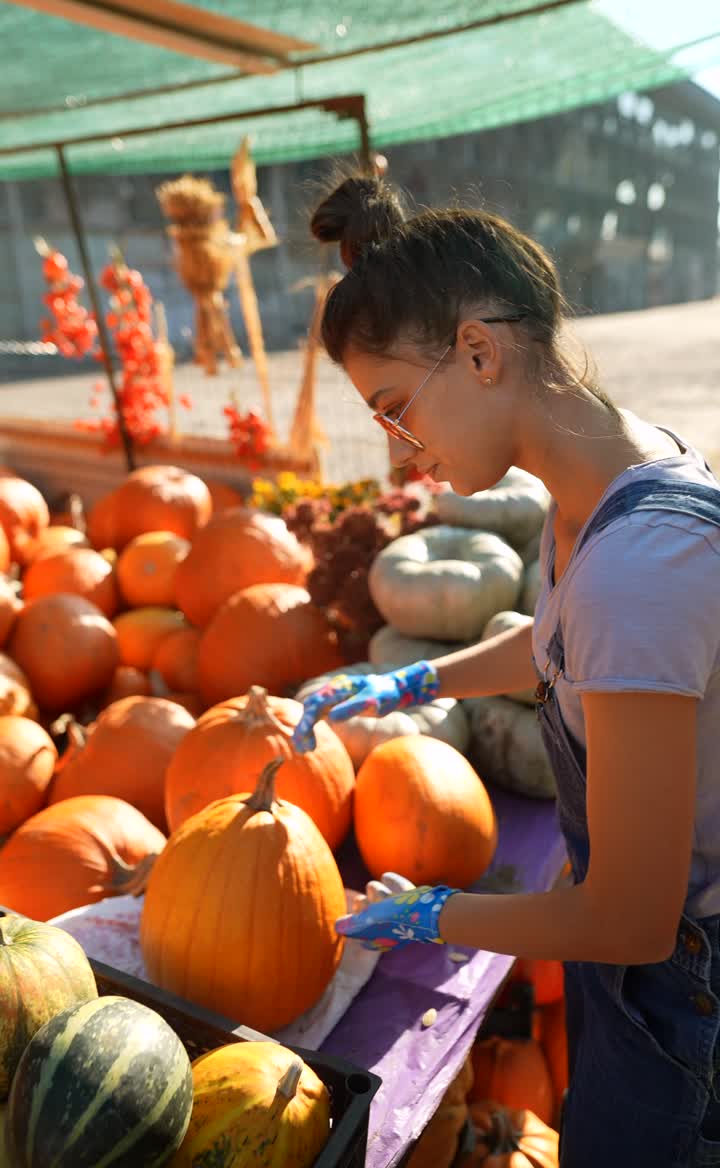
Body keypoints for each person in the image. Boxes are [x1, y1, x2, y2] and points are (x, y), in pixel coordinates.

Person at [291, 172, 720, 1166]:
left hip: (684, 1001)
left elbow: (626, 914)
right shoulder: (612, 478)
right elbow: (559, 636)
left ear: (478, 350)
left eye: (399, 409)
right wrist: (416, 683)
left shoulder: (640, 572)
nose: (406, 451)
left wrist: (437, 912)